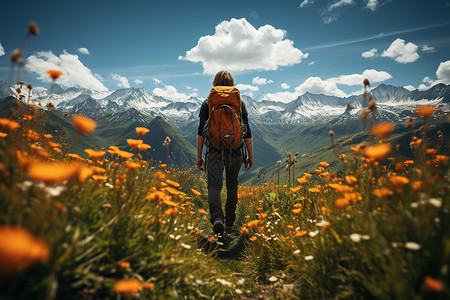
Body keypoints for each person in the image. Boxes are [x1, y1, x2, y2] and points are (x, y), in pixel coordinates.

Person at [196, 70, 253, 241]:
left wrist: (199, 156)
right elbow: (247, 131)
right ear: (232, 84)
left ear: (214, 83)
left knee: (214, 186)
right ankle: (230, 224)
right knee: (232, 185)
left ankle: (217, 220)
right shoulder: (239, 103)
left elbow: (200, 131)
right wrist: (250, 155)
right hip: (236, 151)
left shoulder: (208, 103)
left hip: (214, 150)